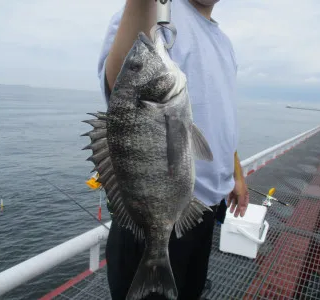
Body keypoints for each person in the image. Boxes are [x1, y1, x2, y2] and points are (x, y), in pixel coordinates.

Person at [97, 0, 250, 299]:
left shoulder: (224, 42)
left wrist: (236, 175)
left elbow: (220, 117)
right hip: (150, 216)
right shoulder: (156, 13)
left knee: (191, 291)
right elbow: (123, 90)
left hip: (204, 210)